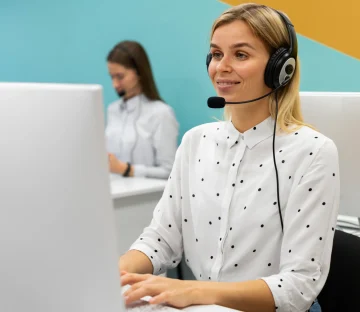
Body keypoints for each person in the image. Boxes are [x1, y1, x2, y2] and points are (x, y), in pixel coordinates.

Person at [118, 4, 340, 312]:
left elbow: (298, 286)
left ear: (280, 68)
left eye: (241, 55)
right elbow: (162, 239)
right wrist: (119, 273)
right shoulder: (196, 142)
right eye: (216, 54)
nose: (221, 67)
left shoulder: (313, 152)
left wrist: (196, 291)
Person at [105, 40, 179, 179]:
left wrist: (127, 169)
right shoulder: (112, 110)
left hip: (147, 199)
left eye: (120, 77)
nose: (115, 84)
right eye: (112, 77)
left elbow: (169, 171)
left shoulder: (161, 113)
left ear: (139, 72)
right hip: (114, 195)